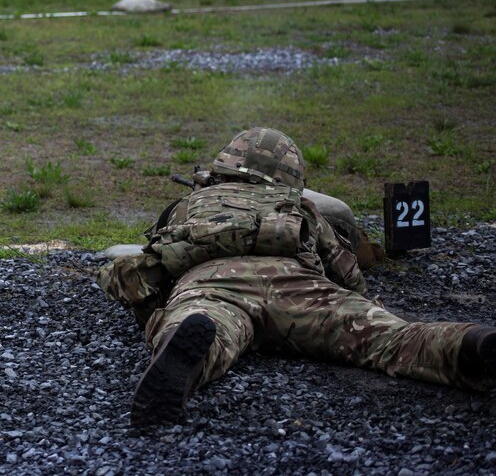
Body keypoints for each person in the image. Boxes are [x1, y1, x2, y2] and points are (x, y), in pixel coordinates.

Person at [97, 127, 496, 423]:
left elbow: (156, 262)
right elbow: (349, 276)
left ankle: (186, 362)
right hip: (296, 285)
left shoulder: (191, 203)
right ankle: (468, 345)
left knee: (203, 329)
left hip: (211, 283)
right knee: (387, 338)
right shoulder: (300, 207)